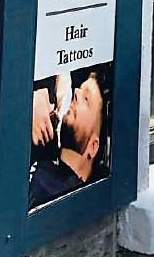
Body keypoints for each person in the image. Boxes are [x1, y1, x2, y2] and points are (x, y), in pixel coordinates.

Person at [28, 71, 106, 209]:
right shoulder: (45, 142)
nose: (76, 92)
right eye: (80, 89)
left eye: (86, 99)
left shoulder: (68, 201)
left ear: (93, 146)